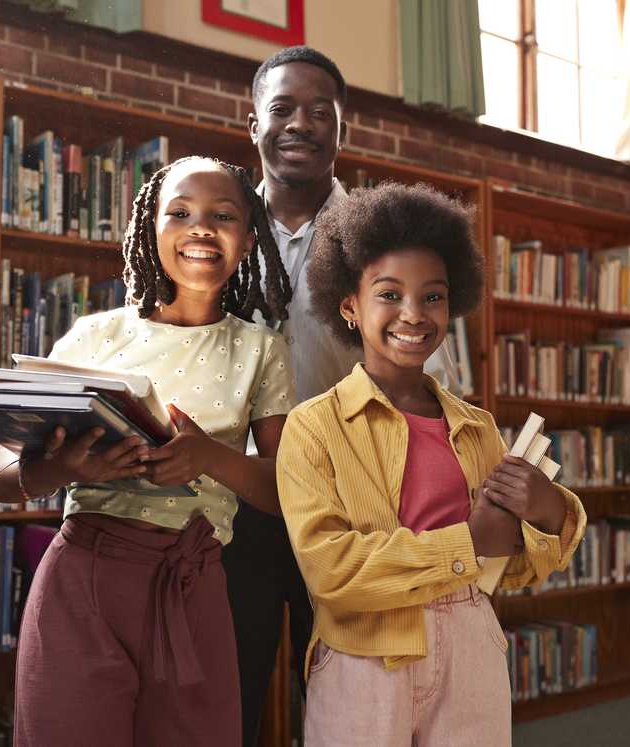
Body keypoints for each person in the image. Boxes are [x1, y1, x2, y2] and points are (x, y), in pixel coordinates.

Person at [0, 156, 294, 747]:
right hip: (84, 581)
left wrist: (208, 458)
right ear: (150, 228)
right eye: (180, 213)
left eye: (222, 216)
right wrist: (66, 466)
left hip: (192, 584)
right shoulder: (95, 337)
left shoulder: (262, 350)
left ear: (248, 240)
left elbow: (285, 492)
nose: (201, 227)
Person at [276, 182, 587, 746]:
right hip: (363, 656)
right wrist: (465, 543)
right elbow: (332, 571)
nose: (413, 315)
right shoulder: (312, 428)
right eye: (389, 294)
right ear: (350, 304)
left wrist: (548, 513)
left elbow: (513, 567)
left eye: (433, 297)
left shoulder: (477, 427)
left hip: (470, 644)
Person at [224, 45, 464, 747]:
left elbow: (432, 366)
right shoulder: (218, 226)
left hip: (355, 500)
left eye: (320, 111)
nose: (300, 123)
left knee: (353, 696)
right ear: (253, 125)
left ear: (342, 131)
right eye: (282, 109)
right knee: (230, 688)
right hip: (243, 499)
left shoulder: (383, 236)